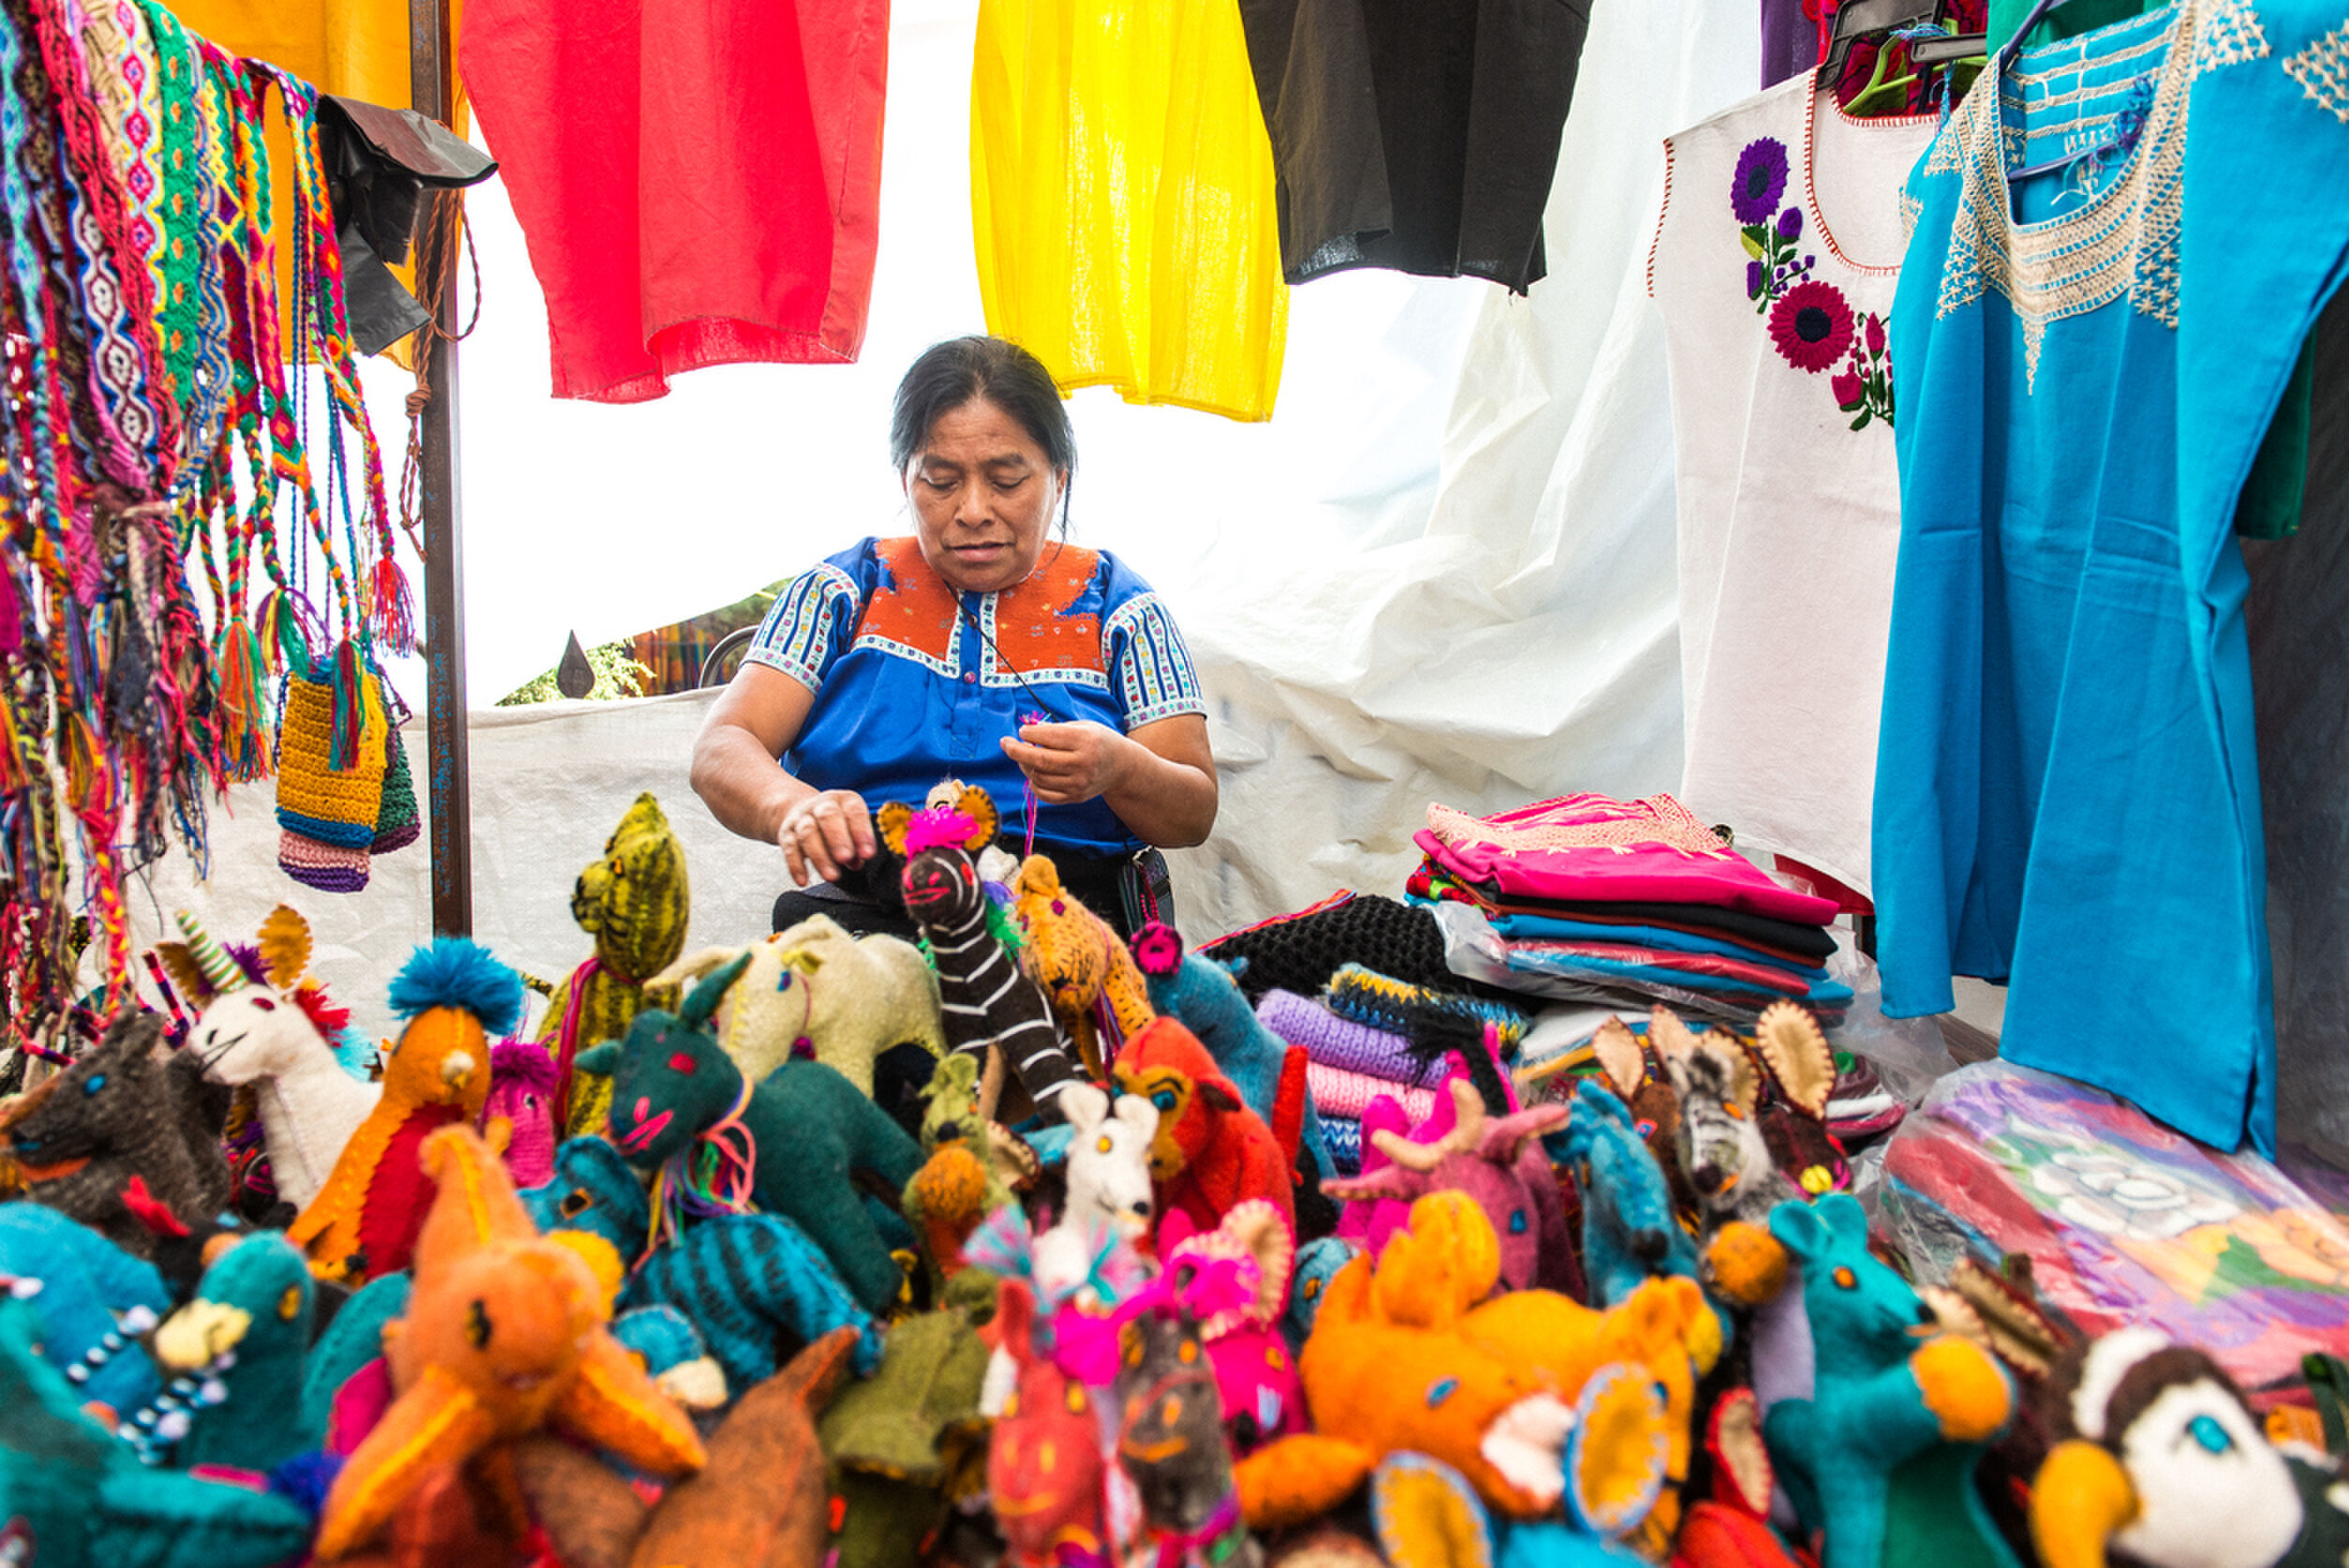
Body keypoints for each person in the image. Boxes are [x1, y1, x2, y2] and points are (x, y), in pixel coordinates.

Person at [691, 335, 1219, 941]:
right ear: (905, 477)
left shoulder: (1118, 605)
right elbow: (723, 745)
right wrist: (791, 806)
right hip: (868, 923)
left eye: (1005, 480)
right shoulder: (841, 590)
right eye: (941, 481)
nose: (972, 510)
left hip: (1069, 931)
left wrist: (1121, 768)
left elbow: (1194, 809)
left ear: (1058, 476)